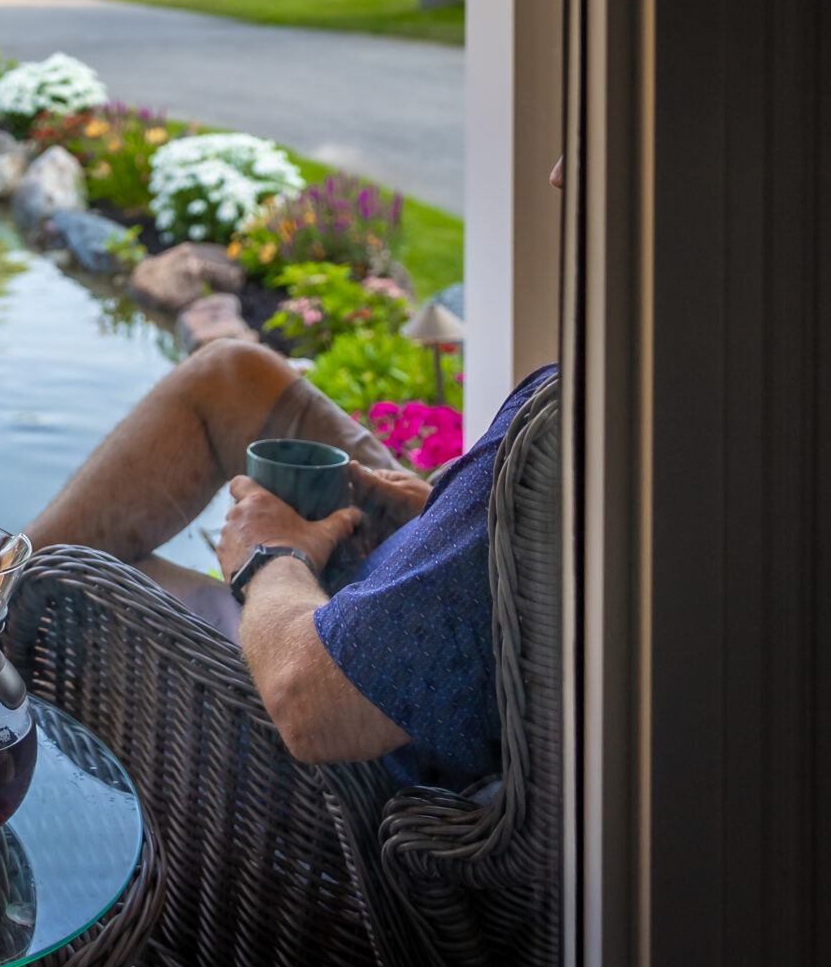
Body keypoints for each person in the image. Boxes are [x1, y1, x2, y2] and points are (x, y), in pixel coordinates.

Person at [28, 165, 562, 790]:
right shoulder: (635, 395)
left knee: (59, 590)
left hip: (349, 722)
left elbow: (313, 709)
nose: (555, 174)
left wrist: (269, 556)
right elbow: (520, 561)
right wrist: (437, 514)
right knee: (232, 375)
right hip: (425, 613)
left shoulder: (572, 425)